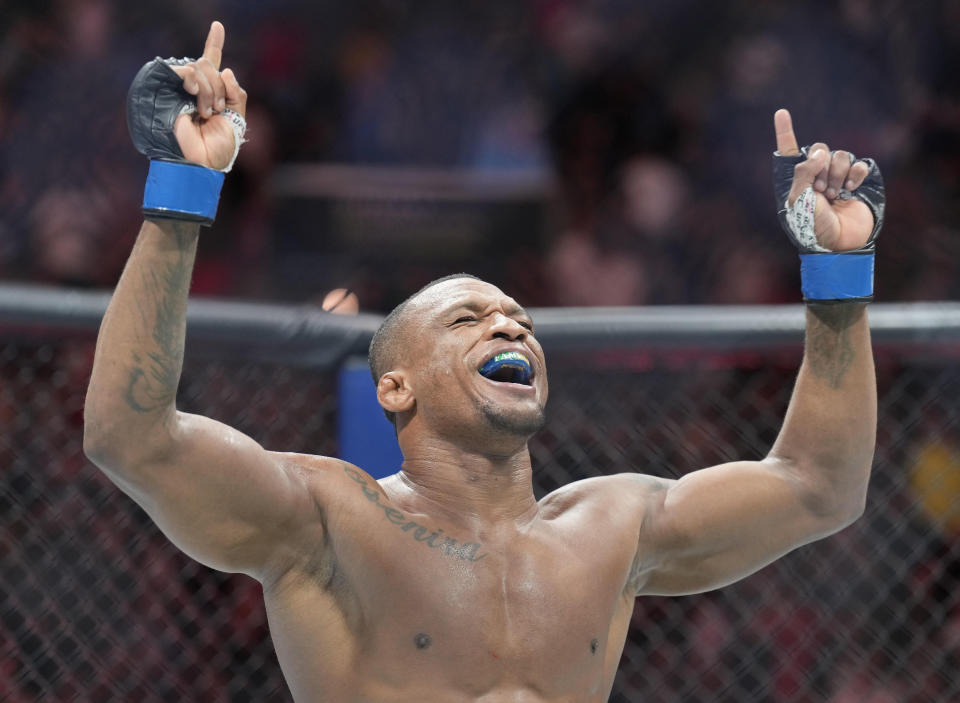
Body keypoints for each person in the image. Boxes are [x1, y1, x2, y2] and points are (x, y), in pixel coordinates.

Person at [84, 21, 879, 702]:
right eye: (469, 318)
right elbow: (132, 435)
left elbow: (819, 486)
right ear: (394, 386)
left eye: (520, 320)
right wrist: (182, 193)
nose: (510, 327)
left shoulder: (614, 525)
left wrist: (838, 279)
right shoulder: (327, 518)